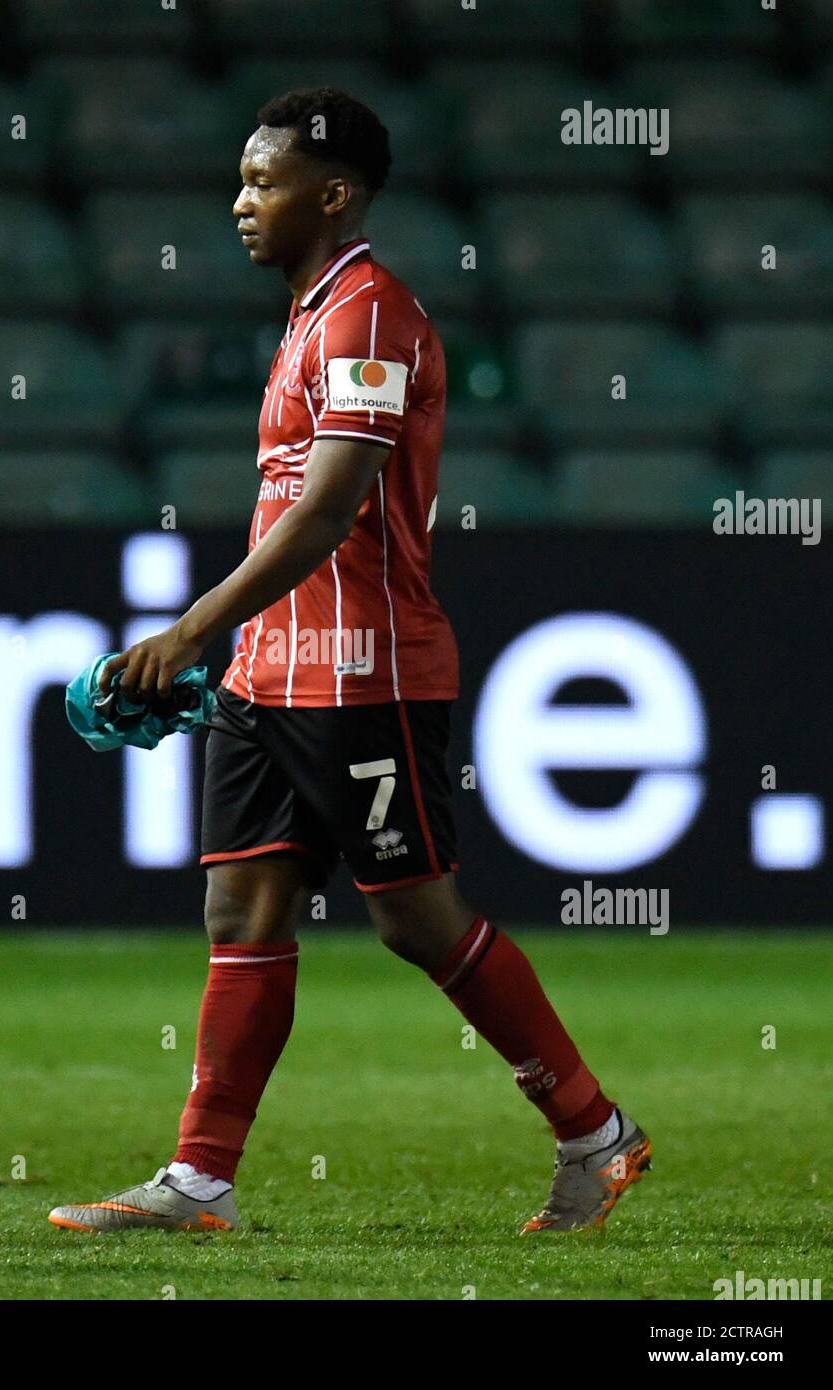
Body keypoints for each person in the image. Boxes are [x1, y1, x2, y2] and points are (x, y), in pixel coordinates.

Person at [49, 88, 651, 1237]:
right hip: (273, 676)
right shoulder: (309, 314)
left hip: (363, 670)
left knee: (415, 918)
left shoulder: (370, 316)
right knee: (243, 901)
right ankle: (199, 1181)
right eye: (239, 178)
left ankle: (594, 1130)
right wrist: (236, 648)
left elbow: (326, 514)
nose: (240, 200)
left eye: (262, 181)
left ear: (331, 194)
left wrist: (188, 628)